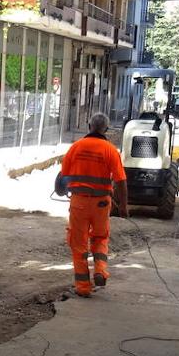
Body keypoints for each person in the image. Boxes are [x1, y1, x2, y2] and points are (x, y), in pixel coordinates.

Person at [57, 112, 128, 298]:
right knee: (100, 237)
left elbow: (63, 177)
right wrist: (123, 206)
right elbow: (121, 181)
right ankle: (100, 270)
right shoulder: (110, 150)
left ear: (89, 126)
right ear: (105, 129)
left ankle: (83, 287)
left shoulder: (75, 147)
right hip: (102, 204)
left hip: (79, 202)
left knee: (78, 244)